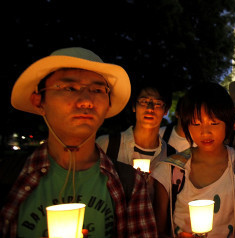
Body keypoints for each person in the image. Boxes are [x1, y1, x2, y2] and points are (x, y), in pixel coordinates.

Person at [1, 47, 156, 237]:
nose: (86, 101)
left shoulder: (130, 185)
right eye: (69, 88)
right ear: (39, 101)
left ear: (108, 104)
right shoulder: (8, 177)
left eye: (97, 90)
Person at [151, 82, 235, 237]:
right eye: (196, 124)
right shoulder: (169, 171)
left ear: (228, 123)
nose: (205, 133)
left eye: (214, 123)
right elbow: (158, 230)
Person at [96, 83, 174, 173]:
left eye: (158, 103)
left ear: (166, 110)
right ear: (134, 106)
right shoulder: (107, 145)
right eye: (144, 101)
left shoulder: (171, 157)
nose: (150, 108)